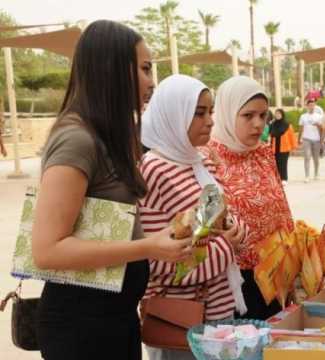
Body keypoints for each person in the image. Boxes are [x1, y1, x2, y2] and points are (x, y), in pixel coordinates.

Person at [32, 20, 190, 360]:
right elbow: (47, 250)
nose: (152, 81)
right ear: (114, 69)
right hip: (82, 327)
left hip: (113, 317)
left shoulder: (106, 136)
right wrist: (148, 246)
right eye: (145, 69)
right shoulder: (77, 139)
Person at [139, 75, 247, 360]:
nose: (210, 121)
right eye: (198, 113)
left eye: (210, 111)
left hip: (218, 311)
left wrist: (237, 232)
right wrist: (227, 247)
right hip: (180, 321)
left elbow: (221, 219)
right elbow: (160, 261)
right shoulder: (154, 171)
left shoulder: (199, 161)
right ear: (173, 115)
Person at [205, 76, 294, 320]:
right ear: (226, 113)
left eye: (263, 116)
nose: (258, 124)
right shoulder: (207, 158)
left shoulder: (263, 153)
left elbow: (282, 209)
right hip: (234, 283)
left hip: (275, 274)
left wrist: (295, 258)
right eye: (248, 115)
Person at [270, 109, 297, 185]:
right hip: (274, 148)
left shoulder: (287, 125)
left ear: (282, 115)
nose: (277, 115)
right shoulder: (272, 125)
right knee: (275, 163)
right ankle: (277, 178)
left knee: (283, 163)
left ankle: (284, 178)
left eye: (279, 114)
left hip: (284, 147)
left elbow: (292, 136)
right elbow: (270, 135)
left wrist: (294, 147)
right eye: (276, 114)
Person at [298, 99, 323, 182]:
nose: (311, 107)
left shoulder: (319, 116)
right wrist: (299, 139)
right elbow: (301, 128)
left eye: (313, 105)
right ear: (307, 106)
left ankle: (316, 174)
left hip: (316, 139)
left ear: (315, 106)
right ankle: (307, 176)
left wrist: (318, 126)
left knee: (316, 158)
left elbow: (322, 129)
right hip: (306, 139)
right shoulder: (303, 116)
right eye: (310, 105)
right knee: (307, 157)